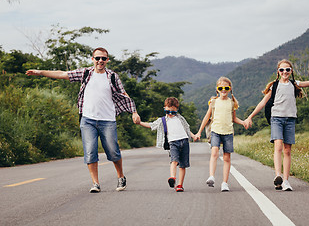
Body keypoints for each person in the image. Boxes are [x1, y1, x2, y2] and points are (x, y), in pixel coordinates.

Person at [26, 47, 140, 193]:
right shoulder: (85, 73)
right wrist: (39, 72)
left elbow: (123, 94)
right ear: (92, 59)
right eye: (97, 58)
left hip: (107, 120)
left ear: (107, 60)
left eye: (103, 58)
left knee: (113, 151)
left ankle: (121, 176)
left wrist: (134, 112)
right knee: (90, 152)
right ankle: (95, 183)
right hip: (87, 120)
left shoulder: (112, 76)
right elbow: (62, 74)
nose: (100, 61)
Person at [244, 59, 309, 191]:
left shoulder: (294, 84)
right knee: (278, 146)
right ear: (278, 72)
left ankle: (286, 181)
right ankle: (278, 176)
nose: (285, 72)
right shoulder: (274, 86)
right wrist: (250, 117)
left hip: (290, 120)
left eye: (287, 69)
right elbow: (262, 103)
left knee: (287, 150)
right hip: (276, 119)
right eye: (282, 70)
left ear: (291, 71)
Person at [195, 77, 247, 192]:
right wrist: (199, 131)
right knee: (214, 153)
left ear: (230, 89)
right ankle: (212, 176)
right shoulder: (213, 102)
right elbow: (206, 117)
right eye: (220, 88)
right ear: (217, 89)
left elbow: (234, 118)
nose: (223, 90)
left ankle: (225, 183)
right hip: (215, 131)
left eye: (226, 88)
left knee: (227, 158)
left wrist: (243, 122)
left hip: (228, 132)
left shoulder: (231, 103)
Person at [138, 97, 196, 192]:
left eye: (173, 112)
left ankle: (180, 185)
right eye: (168, 111)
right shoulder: (162, 120)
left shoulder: (180, 118)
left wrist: (193, 136)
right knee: (174, 161)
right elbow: (151, 125)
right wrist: (139, 123)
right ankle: (172, 178)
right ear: (164, 108)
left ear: (177, 109)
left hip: (184, 141)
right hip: (173, 142)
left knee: (183, 165)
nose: (170, 114)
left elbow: (187, 129)